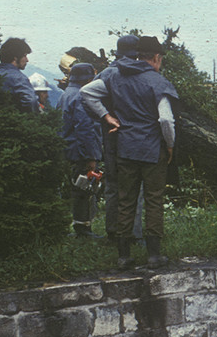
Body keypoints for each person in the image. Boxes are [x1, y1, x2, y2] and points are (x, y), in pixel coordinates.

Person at [83, 35, 177, 270]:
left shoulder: (115, 75)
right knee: (154, 200)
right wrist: (170, 144)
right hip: (152, 149)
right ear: (156, 58)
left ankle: (123, 256)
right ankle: (154, 255)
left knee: (126, 200)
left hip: (125, 148)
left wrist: (106, 116)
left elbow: (87, 92)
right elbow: (166, 118)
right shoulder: (157, 81)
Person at [81, 34, 144, 244]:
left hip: (111, 138)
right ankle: (132, 233)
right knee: (136, 186)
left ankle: (113, 232)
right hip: (135, 137)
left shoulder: (107, 74)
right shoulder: (139, 73)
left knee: (113, 186)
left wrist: (104, 117)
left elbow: (87, 97)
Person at [59, 62, 103, 238]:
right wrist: (90, 156)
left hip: (69, 149)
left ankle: (79, 226)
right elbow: (85, 128)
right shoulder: (81, 96)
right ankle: (83, 229)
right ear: (88, 79)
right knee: (85, 188)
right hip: (80, 151)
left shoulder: (66, 94)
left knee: (77, 187)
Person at [0, 38, 40, 113]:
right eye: (24, 56)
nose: (27, 60)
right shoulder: (18, 78)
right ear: (15, 58)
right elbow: (30, 101)